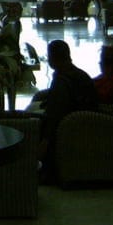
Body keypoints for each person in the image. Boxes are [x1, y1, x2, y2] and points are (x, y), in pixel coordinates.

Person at [32, 39, 98, 182]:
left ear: (52, 58)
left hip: (72, 126)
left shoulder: (62, 80)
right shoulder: (77, 75)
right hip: (83, 122)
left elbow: (56, 113)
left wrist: (45, 140)